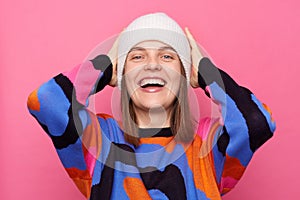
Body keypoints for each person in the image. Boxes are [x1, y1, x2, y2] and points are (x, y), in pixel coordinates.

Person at [27, 13, 276, 200]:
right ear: (121, 73)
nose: (153, 65)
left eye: (167, 56)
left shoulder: (207, 146)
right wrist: (104, 65)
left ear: (185, 75)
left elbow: (256, 123)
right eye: (137, 56)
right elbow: (47, 101)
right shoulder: (101, 141)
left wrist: (207, 73)